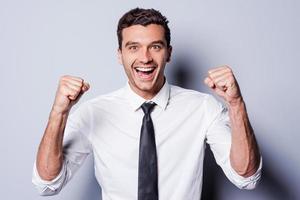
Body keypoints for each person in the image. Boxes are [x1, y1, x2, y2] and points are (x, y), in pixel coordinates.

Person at [32, 7, 262, 199]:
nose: (145, 58)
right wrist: (59, 113)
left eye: (155, 46)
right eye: (133, 47)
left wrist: (236, 104)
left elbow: (246, 177)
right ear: (120, 55)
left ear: (168, 53)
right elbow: (47, 183)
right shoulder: (94, 112)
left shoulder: (203, 108)